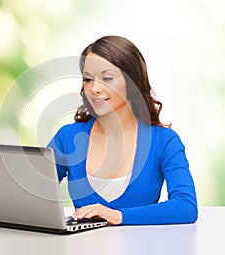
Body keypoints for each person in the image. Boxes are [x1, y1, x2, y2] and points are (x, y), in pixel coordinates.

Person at [47, 35, 198, 225]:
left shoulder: (164, 141)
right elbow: (32, 194)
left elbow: (186, 207)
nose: (94, 88)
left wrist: (119, 216)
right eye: (87, 79)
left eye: (107, 78)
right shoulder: (67, 137)